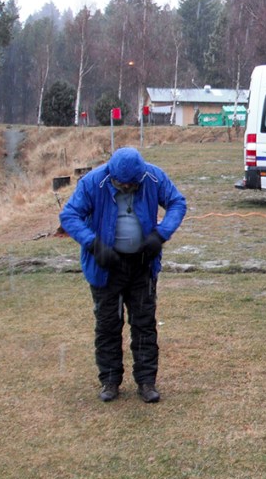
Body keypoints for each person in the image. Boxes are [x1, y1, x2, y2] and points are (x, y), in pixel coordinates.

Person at [60, 147, 187, 403]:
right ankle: (109, 380)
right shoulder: (93, 182)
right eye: (122, 184)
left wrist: (160, 234)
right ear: (111, 174)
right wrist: (93, 244)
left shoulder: (153, 177)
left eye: (132, 184)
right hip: (106, 267)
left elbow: (177, 203)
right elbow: (69, 215)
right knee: (107, 325)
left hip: (142, 266)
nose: (128, 188)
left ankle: (146, 382)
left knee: (144, 324)